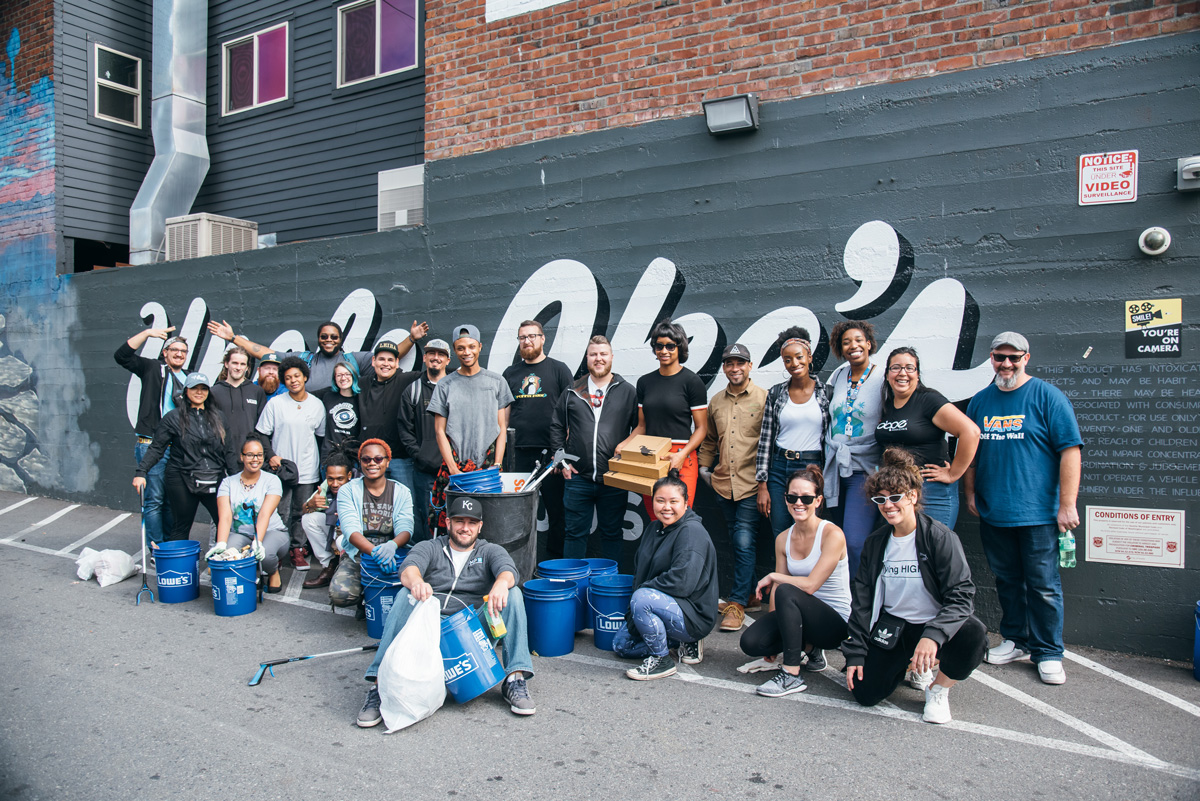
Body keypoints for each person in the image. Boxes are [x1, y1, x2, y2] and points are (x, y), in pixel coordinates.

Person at [356, 495, 536, 727]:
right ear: (448, 523)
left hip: (471, 631)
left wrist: (501, 583)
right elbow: (408, 570)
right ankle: (380, 686)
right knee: (404, 595)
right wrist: (416, 583)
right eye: (459, 521)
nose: (465, 528)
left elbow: (508, 570)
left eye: (471, 523)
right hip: (430, 628)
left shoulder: (489, 550)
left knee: (513, 593)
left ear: (480, 527)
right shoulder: (430, 547)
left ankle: (514, 679)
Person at [965, 332, 1082, 685]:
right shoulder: (980, 402)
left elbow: (1070, 451)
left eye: (1014, 358)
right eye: (1000, 357)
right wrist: (970, 495)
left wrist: (1067, 505)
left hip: (1038, 514)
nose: (1007, 364)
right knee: (1007, 581)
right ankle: (1016, 639)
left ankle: (1048, 652)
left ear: (1026, 358)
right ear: (991, 358)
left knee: (1043, 585)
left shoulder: (1047, 397)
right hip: (995, 512)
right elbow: (971, 457)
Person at [842, 449, 987, 725]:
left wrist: (933, 635)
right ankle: (910, 664)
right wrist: (856, 653)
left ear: (912, 496)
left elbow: (962, 596)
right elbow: (862, 601)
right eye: (880, 499)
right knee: (865, 693)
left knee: (974, 634)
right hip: (894, 627)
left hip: (932, 625)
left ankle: (938, 688)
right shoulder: (876, 543)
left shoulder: (939, 537)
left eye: (895, 497)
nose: (888, 505)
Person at [740, 464, 851, 697]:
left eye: (806, 498)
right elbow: (779, 589)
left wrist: (772, 576)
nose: (798, 503)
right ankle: (810, 650)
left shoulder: (832, 535)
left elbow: (810, 585)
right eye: (792, 497)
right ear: (786, 498)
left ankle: (791, 675)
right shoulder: (783, 538)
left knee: (787, 590)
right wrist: (773, 638)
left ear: (818, 501)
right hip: (800, 616)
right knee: (752, 642)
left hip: (834, 623)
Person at [613, 471, 719, 680]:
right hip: (661, 602)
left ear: (686, 503)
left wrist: (641, 596)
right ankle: (673, 641)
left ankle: (662, 660)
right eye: (660, 501)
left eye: (673, 501)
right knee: (621, 645)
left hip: (692, 614)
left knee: (642, 598)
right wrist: (632, 612)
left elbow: (682, 583)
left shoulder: (691, 532)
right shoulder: (654, 528)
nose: (666, 507)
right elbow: (640, 574)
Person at [549, 335, 638, 562]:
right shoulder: (573, 390)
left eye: (603, 354)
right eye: (593, 354)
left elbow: (640, 429)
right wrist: (561, 460)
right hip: (578, 478)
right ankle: (573, 586)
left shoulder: (627, 391)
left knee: (612, 535)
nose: (598, 359)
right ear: (587, 358)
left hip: (614, 478)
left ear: (611, 357)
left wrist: (626, 456)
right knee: (574, 535)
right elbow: (557, 425)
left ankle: (611, 589)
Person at [698, 343, 767, 632]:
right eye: (729, 364)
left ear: (750, 366)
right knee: (735, 539)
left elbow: (769, 441)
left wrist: (765, 483)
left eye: (740, 363)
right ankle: (750, 595)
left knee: (743, 541)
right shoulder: (716, 401)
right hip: (723, 484)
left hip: (752, 484)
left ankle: (736, 603)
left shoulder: (764, 398)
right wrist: (704, 469)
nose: (734, 368)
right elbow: (710, 439)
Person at [875, 347, 980, 530]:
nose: (902, 373)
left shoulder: (928, 400)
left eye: (909, 368)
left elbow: (971, 432)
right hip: (896, 492)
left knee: (931, 550)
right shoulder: (888, 405)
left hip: (932, 492)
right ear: (887, 374)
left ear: (917, 374)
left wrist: (953, 473)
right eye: (896, 368)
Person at [427, 324, 514, 535]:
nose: (467, 352)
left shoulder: (497, 382)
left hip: (488, 470)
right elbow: (440, 431)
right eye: (461, 348)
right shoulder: (445, 385)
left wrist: (497, 464)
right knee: (458, 526)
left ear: (480, 347)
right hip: (456, 469)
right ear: (455, 351)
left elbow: (502, 428)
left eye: (471, 347)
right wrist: (453, 470)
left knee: (490, 525)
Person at [502, 320, 576, 559]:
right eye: (523, 337)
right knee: (518, 514)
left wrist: (561, 452)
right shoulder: (510, 373)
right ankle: (519, 565)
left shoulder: (559, 370)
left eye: (532, 336)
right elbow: (502, 418)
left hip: (552, 455)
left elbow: (572, 412)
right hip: (518, 455)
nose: (527, 341)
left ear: (543, 339)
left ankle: (554, 566)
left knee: (558, 514)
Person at [622, 319, 708, 519]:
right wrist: (624, 444)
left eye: (670, 346)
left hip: (682, 457)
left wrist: (682, 454)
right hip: (651, 457)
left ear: (680, 348)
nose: (664, 351)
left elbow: (702, 428)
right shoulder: (645, 382)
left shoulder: (692, 382)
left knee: (679, 517)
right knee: (655, 517)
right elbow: (641, 426)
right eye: (659, 346)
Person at [206, 318, 428, 393]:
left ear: (340, 339)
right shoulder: (305, 360)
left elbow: (388, 356)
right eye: (324, 337)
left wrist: (412, 338)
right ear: (318, 339)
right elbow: (266, 353)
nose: (329, 340)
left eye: (333, 337)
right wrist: (233, 337)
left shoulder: (354, 359)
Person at [115, 325, 188, 546]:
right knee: (154, 499)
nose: (178, 354)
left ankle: (168, 544)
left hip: (176, 448)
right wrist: (147, 334)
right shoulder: (153, 368)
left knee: (170, 501)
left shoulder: (189, 379)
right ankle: (156, 546)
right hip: (151, 445)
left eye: (183, 351)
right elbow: (121, 356)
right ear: (165, 353)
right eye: (173, 349)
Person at [132, 373, 227, 542]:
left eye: (203, 388)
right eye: (194, 388)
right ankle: (179, 567)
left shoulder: (219, 417)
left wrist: (237, 477)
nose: (199, 392)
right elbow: (156, 448)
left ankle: (221, 563)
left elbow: (230, 450)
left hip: (213, 476)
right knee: (181, 525)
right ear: (185, 391)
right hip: (181, 478)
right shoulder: (173, 417)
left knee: (225, 522)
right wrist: (141, 472)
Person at [823, 319, 885, 581]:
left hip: (865, 470)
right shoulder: (837, 376)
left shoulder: (883, 376)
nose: (853, 346)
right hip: (836, 469)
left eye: (859, 340)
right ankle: (841, 601)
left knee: (855, 542)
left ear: (869, 344)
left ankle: (858, 604)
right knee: (838, 542)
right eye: (846, 342)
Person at [755, 327, 828, 539]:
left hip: (811, 467)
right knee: (781, 530)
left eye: (799, 357)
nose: (794, 364)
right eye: (788, 360)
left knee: (810, 529)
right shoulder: (776, 393)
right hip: (779, 468)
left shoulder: (826, 393)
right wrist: (762, 484)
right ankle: (783, 572)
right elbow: (765, 440)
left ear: (809, 357)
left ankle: (809, 573)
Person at [256, 356, 326, 570]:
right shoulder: (275, 404)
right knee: (279, 513)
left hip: (307, 469)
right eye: (288, 378)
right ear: (283, 381)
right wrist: (271, 456)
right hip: (281, 470)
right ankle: (276, 551)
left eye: (297, 376)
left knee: (302, 512)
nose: (293, 380)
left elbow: (321, 438)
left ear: (305, 377)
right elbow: (261, 434)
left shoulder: (317, 405)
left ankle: (298, 549)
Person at [330, 439, 413, 611]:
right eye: (366, 459)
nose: (372, 463)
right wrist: (374, 552)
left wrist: (392, 545)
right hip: (360, 554)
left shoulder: (401, 491)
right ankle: (365, 596)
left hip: (393, 553)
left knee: (412, 589)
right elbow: (350, 530)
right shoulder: (348, 490)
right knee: (341, 594)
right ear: (360, 462)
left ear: (387, 461)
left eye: (378, 459)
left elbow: (406, 528)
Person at [207, 434, 290, 593]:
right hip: (241, 533)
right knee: (226, 557)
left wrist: (257, 542)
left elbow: (265, 514)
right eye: (250, 455)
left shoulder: (272, 481)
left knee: (264, 555)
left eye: (259, 455)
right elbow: (225, 516)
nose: (255, 459)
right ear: (242, 456)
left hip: (272, 532)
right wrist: (221, 544)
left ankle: (272, 571)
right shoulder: (228, 483)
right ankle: (250, 570)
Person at [396, 338, 452, 543]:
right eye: (431, 354)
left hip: (455, 470)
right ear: (425, 357)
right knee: (427, 520)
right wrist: (420, 455)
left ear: (447, 360)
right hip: (425, 471)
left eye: (441, 355)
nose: (435, 358)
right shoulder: (413, 390)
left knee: (455, 519)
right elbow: (405, 429)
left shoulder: (456, 386)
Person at [358, 340, 424, 488]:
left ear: (397, 363)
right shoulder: (362, 383)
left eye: (390, 360)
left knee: (406, 504)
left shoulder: (407, 379)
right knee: (371, 506)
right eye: (381, 359)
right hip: (370, 460)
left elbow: (436, 376)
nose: (386, 364)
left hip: (400, 460)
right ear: (373, 361)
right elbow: (336, 389)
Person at [209, 346, 269, 475]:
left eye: (242, 364)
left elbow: (262, 428)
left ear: (247, 367)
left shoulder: (257, 391)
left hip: (250, 458)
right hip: (221, 457)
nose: (238, 367)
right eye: (235, 363)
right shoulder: (213, 392)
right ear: (226, 364)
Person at [299, 450, 354, 589]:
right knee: (309, 519)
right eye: (330, 479)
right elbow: (304, 509)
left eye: (340, 479)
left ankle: (350, 571)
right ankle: (329, 566)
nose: (334, 484)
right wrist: (310, 504)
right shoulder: (325, 486)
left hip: (355, 534)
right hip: (336, 528)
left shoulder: (358, 486)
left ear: (349, 475)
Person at [319, 361, 361, 467]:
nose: (343, 378)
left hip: (352, 457)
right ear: (334, 378)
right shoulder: (327, 396)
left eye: (347, 374)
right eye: (339, 375)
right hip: (329, 455)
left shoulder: (361, 398)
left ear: (354, 376)